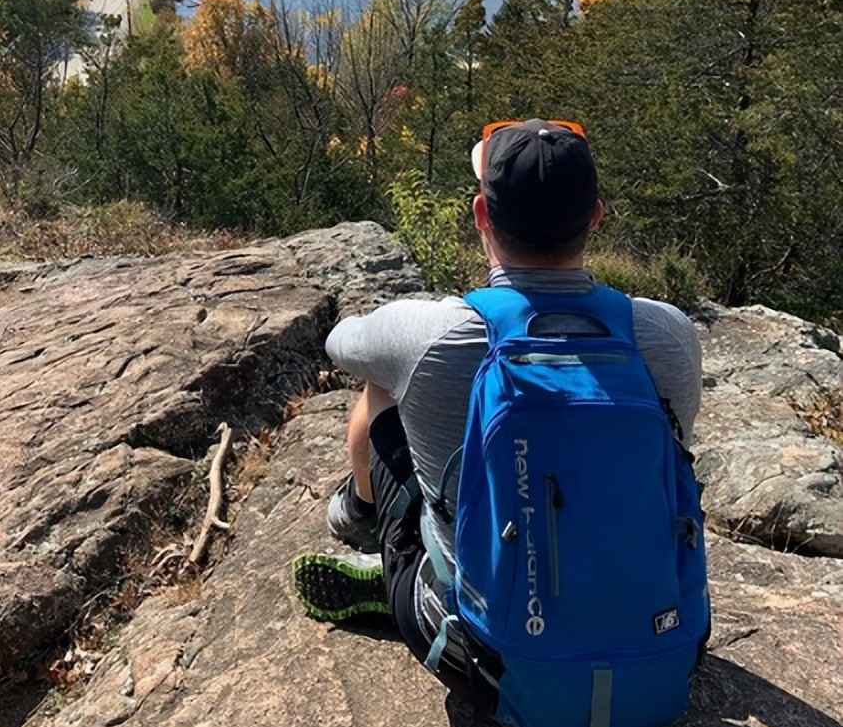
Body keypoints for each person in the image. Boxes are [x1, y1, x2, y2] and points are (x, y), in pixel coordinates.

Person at [291, 118, 702, 684]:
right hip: (660, 648)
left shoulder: (435, 333)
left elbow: (342, 344)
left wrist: (406, 333)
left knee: (383, 383)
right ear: (595, 217)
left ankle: (372, 531)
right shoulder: (668, 332)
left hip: (487, 660)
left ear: (481, 216)